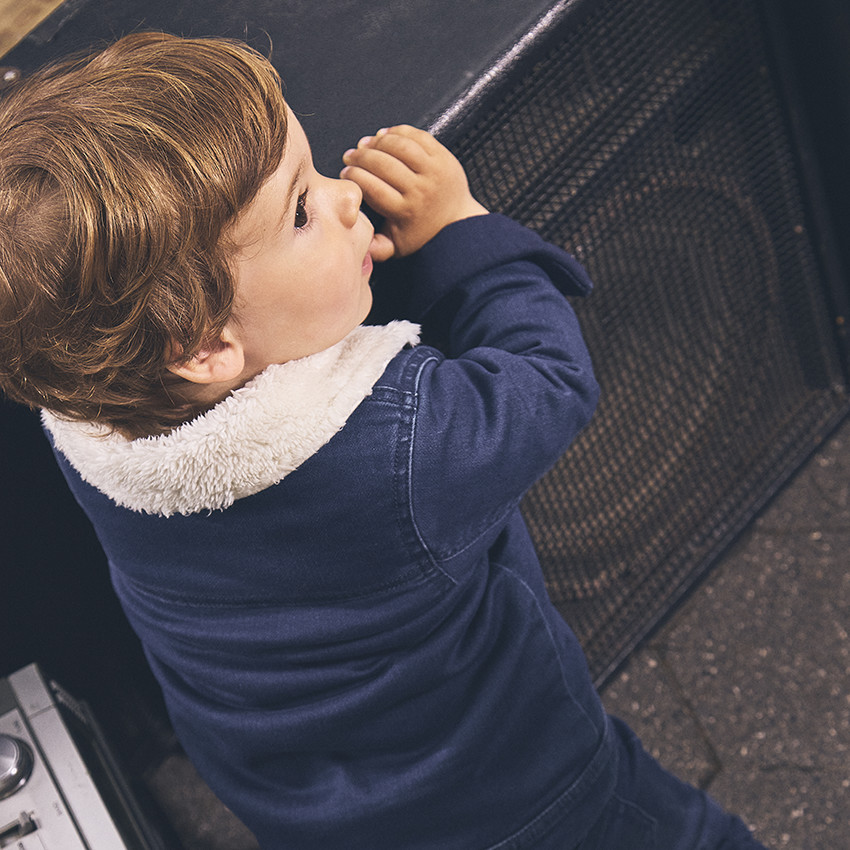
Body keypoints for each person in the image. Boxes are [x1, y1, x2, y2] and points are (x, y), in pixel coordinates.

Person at [0, 32, 768, 850]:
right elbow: (550, 380)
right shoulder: (402, 445)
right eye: (301, 210)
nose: (345, 197)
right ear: (203, 347)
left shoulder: (92, 429)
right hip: (516, 794)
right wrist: (460, 233)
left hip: (304, 809)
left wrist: (325, 269)